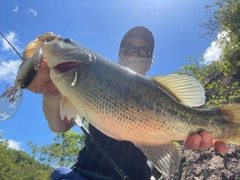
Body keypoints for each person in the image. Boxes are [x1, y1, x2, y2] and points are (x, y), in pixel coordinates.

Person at [23, 26, 228, 180]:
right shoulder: (89, 75)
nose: (136, 53)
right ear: (120, 53)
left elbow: (173, 142)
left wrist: (195, 125)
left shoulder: (163, 93)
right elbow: (58, 126)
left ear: (151, 59)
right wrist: (51, 94)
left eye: (144, 51)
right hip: (84, 174)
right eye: (129, 47)